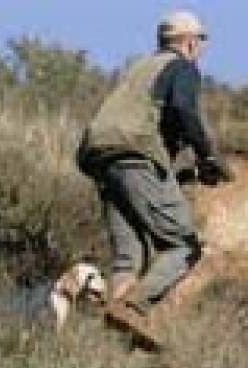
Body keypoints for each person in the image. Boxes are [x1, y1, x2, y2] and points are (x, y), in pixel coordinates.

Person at [77, 10, 233, 349]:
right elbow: (184, 110)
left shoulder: (140, 70)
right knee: (184, 245)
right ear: (190, 43)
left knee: (128, 256)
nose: (201, 49)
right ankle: (133, 306)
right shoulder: (182, 67)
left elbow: (154, 143)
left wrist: (190, 172)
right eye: (201, 42)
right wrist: (208, 155)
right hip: (134, 156)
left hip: (102, 160)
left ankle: (117, 333)